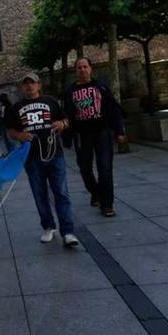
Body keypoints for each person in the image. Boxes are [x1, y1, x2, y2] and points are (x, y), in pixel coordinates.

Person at [6, 73, 79, 247]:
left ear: (39, 85)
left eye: (32, 83)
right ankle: (48, 226)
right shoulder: (16, 108)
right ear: (22, 87)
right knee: (40, 194)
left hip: (55, 154)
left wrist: (63, 124)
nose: (29, 86)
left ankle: (68, 232)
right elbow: (10, 131)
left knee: (61, 193)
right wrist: (20, 135)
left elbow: (66, 120)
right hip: (32, 157)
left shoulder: (51, 102)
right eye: (26, 84)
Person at [64, 57, 127, 217]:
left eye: (85, 67)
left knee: (105, 168)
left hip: (102, 133)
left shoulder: (101, 87)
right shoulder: (70, 91)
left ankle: (107, 204)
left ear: (91, 69)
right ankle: (96, 192)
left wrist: (119, 131)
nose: (82, 70)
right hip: (82, 135)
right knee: (85, 169)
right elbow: (67, 115)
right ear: (75, 71)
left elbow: (114, 110)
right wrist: (67, 137)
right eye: (79, 67)